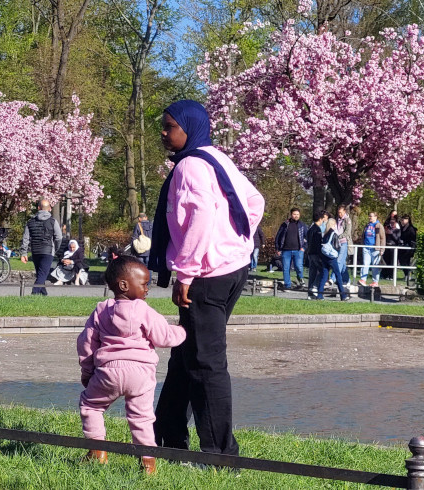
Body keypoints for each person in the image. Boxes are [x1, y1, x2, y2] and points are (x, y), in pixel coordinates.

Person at [149, 100, 265, 457]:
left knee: (205, 363)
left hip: (205, 276)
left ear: (189, 127)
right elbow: (255, 201)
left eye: (170, 127)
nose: (164, 134)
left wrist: (186, 272)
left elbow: (198, 217)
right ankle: (166, 435)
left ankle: (220, 455)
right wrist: (237, 244)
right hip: (231, 269)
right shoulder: (217, 157)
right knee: (186, 355)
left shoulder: (190, 166)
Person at [78, 256, 186, 474]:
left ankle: (97, 451)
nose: (148, 288)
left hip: (108, 371)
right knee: (142, 417)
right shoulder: (144, 310)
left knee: (91, 406)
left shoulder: (101, 310)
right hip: (141, 374)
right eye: (144, 283)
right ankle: (148, 463)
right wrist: (182, 330)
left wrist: (87, 371)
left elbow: (86, 343)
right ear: (124, 285)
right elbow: (164, 337)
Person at [20, 199, 63, 295]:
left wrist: (24, 252)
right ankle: (34, 294)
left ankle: (44, 294)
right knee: (42, 274)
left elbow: (25, 238)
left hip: (35, 250)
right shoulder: (53, 221)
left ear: (38, 208)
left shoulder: (30, 221)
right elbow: (59, 237)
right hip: (48, 250)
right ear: (50, 209)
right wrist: (55, 248)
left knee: (41, 273)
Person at [273, 208, 308, 290]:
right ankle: (287, 284)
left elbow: (307, 237)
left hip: (298, 250)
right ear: (291, 214)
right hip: (286, 250)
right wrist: (278, 248)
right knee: (286, 268)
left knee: (298, 267)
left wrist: (304, 247)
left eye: (297, 214)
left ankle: (300, 279)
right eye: (294, 214)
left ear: (300, 215)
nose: (296, 216)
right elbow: (278, 236)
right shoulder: (285, 224)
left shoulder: (302, 225)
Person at [316, 220, 351, 301]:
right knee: (338, 275)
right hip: (332, 257)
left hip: (324, 256)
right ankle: (343, 295)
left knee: (325, 275)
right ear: (333, 225)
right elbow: (337, 246)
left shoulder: (325, 234)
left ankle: (320, 295)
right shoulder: (334, 234)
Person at [358, 211, 385, 287]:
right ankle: (363, 280)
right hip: (366, 247)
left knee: (375, 265)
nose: (370, 217)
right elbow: (363, 236)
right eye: (369, 216)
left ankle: (375, 281)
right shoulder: (367, 225)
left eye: (371, 216)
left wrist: (382, 249)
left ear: (375, 217)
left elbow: (383, 238)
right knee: (365, 264)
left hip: (375, 248)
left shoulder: (379, 226)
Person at [306, 210, 328, 296]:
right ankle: (314, 287)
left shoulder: (310, 229)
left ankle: (310, 294)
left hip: (310, 253)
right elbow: (318, 243)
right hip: (316, 253)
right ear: (320, 219)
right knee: (322, 270)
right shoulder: (317, 229)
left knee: (312, 272)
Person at [131, 212, 153, 281]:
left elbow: (134, 238)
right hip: (150, 250)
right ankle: (148, 283)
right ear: (146, 218)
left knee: (140, 267)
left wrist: (132, 251)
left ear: (139, 219)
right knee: (149, 268)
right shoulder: (152, 225)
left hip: (140, 251)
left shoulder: (138, 225)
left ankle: (141, 281)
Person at [335, 205, 353, 287]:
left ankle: (333, 278)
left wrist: (339, 236)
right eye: (339, 213)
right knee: (342, 263)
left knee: (338, 261)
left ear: (344, 212)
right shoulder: (337, 219)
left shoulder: (347, 220)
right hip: (337, 243)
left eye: (341, 213)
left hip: (344, 242)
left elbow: (347, 232)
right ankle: (346, 279)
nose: (340, 214)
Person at [399, 215, 418, 283]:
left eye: (403, 220)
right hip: (403, 247)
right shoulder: (402, 228)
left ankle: (408, 274)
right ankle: (406, 274)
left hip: (409, 248)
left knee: (406, 261)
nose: (402, 221)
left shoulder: (411, 228)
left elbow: (413, 239)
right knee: (402, 261)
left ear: (407, 220)